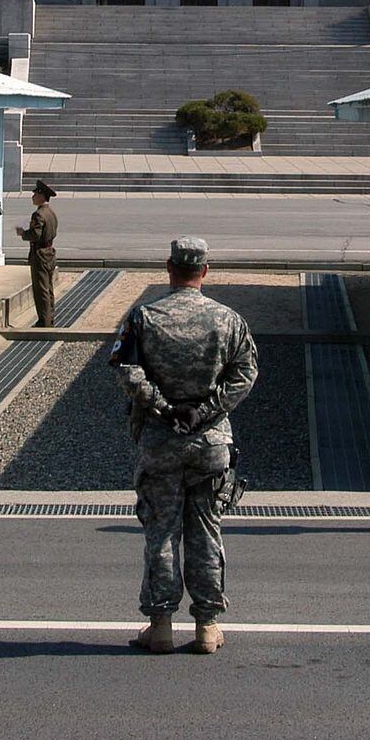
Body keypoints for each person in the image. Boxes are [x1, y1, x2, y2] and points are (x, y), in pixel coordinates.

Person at [110, 237, 258, 655]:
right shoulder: (228, 320)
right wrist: (204, 411)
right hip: (210, 443)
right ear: (205, 271)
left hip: (160, 441)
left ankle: (160, 625)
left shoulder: (144, 317)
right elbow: (245, 374)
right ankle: (207, 625)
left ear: (169, 268)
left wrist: (164, 407)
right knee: (206, 530)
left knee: (161, 531)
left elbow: (126, 370)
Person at [15, 179, 59, 328]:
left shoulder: (39, 214)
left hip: (40, 254)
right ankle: (50, 317)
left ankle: (44, 321)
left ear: (41, 195)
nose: (33, 197)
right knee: (48, 287)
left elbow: (36, 234)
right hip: (49, 252)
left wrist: (23, 233)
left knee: (41, 289)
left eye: (35, 194)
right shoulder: (51, 213)